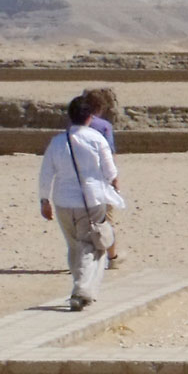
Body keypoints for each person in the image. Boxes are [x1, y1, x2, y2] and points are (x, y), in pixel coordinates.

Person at [38, 94, 126, 311]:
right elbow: (110, 170)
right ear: (90, 117)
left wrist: (44, 200)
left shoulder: (57, 142)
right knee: (92, 247)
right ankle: (81, 291)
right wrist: (113, 184)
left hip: (62, 201)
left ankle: (83, 288)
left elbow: (46, 172)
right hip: (90, 200)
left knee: (75, 246)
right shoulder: (97, 139)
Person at [84, 88, 124, 267]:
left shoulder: (74, 126)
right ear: (100, 108)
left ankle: (85, 258)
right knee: (106, 220)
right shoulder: (104, 126)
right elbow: (109, 154)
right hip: (100, 179)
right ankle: (112, 257)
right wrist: (114, 178)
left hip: (80, 179)